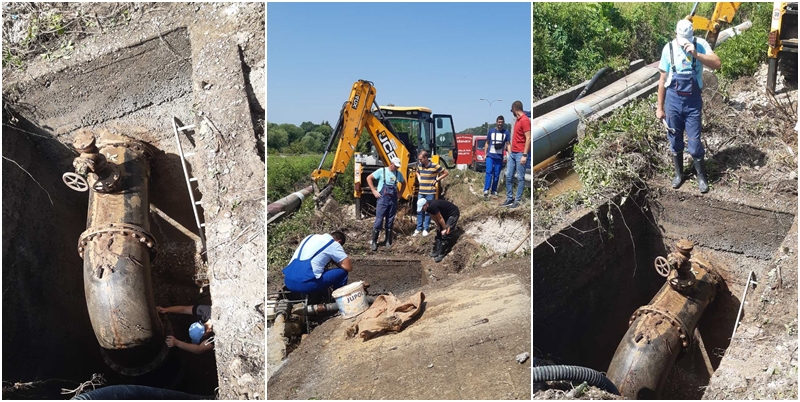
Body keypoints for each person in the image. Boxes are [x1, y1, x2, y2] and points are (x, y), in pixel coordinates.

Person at [657, 18, 721, 194]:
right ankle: (679, 174)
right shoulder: (668, 48)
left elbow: (717, 63)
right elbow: (662, 80)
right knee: (675, 140)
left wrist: (696, 55)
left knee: (694, 142)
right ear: (676, 34)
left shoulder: (700, 44)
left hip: (693, 103)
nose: (684, 43)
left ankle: (701, 176)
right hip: (673, 103)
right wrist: (659, 107)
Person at [282, 231, 351, 295]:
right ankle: (337, 299)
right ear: (339, 241)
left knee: (317, 270)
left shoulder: (310, 237)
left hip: (288, 281)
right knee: (343, 272)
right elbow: (348, 267)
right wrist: (335, 261)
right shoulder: (333, 243)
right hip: (305, 285)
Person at [367, 157, 406, 250]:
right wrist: (374, 190)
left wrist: (400, 194)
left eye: (397, 167)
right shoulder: (382, 171)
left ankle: (388, 241)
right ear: (391, 163)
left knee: (390, 220)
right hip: (382, 199)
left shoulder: (398, 174)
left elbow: (404, 183)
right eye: (395, 166)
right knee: (379, 220)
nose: (396, 168)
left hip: (392, 200)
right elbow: (369, 178)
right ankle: (374, 241)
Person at [503, 101, 531, 208]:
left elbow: (528, 138)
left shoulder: (524, 120)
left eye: (512, 110)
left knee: (520, 178)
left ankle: (517, 200)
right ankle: (510, 198)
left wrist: (524, 155)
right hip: (513, 153)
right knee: (508, 175)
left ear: (515, 109)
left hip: (520, 154)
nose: (512, 112)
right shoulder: (517, 120)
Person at [414, 150, 448, 237]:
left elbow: (446, 173)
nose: (419, 161)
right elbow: (417, 172)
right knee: (419, 210)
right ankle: (418, 228)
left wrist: (437, 179)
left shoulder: (434, 166)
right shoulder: (420, 166)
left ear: (425, 158)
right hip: (421, 191)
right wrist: (419, 178)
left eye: (421, 159)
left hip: (430, 192)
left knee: (428, 211)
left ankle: (425, 229)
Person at [417, 198, 459, 263]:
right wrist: (438, 225)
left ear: (425, 205)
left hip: (452, 214)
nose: (422, 210)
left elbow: (440, 218)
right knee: (439, 231)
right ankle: (437, 251)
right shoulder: (428, 207)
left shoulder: (433, 205)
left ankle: (441, 254)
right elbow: (433, 216)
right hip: (445, 215)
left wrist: (445, 229)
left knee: (446, 233)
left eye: (422, 208)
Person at [483, 115, 510, 199]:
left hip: (499, 157)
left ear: (503, 123)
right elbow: (487, 143)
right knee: (489, 172)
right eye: (499, 122)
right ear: (496, 122)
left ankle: (494, 190)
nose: (500, 124)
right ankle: (486, 189)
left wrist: (511, 155)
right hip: (490, 156)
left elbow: (508, 144)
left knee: (497, 174)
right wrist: (485, 154)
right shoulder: (491, 131)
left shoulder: (506, 133)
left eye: (501, 122)